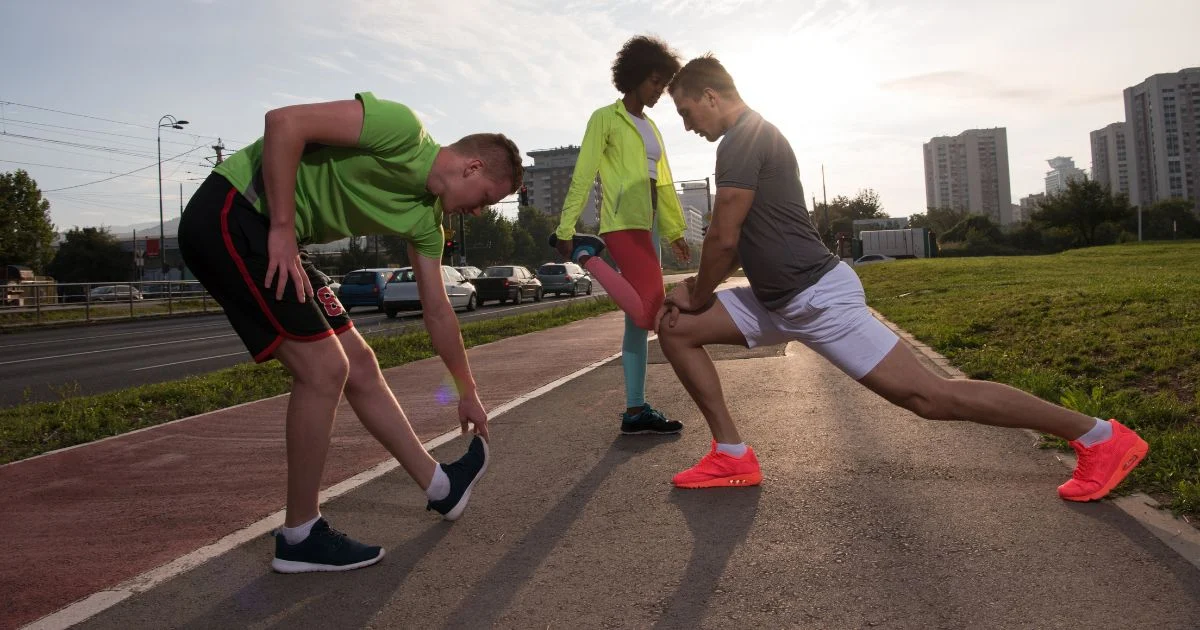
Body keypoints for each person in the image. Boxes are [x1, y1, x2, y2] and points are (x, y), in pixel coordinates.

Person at [654, 55, 1148, 501]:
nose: (688, 125)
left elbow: (723, 237)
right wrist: (695, 298)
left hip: (816, 298)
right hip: (777, 299)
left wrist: (697, 292)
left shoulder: (743, 139)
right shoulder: (748, 137)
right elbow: (743, 240)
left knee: (929, 398)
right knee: (677, 329)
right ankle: (732, 454)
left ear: (711, 96)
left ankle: (1099, 436)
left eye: (686, 112)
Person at [178, 92, 522, 572]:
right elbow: (284, 122)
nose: (481, 211)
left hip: (280, 236)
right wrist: (280, 227)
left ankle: (441, 487)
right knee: (325, 369)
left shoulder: (427, 222)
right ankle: (299, 535)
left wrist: (467, 391)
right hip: (236, 211)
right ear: (471, 166)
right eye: (487, 198)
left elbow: (439, 311)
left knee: (358, 363)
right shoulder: (401, 128)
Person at [551, 35, 692, 435]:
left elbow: (663, 183)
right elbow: (583, 174)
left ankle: (635, 410)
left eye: (663, 84)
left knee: (635, 322)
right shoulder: (605, 119)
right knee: (649, 312)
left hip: (646, 228)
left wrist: (675, 230)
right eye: (654, 81)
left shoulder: (652, 128)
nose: (659, 91)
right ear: (632, 76)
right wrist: (566, 228)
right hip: (620, 226)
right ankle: (586, 256)